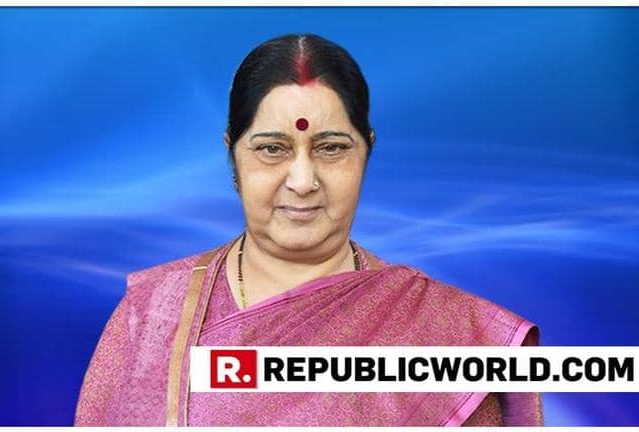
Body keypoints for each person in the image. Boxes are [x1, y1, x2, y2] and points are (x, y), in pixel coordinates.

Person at [74, 33, 543, 426]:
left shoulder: (446, 335)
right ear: (232, 155)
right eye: (272, 149)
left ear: (366, 151)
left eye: (331, 148)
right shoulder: (153, 314)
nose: (302, 181)